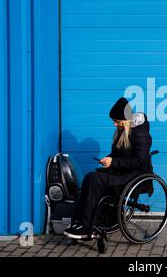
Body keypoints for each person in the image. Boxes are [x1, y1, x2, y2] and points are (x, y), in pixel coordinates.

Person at [64, 97, 152, 239]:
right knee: (90, 177)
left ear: (125, 120)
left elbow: (139, 161)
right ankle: (79, 222)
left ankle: (87, 227)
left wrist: (113, 162)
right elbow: (117, 154)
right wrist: (107, 159)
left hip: (132, 176)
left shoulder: (141, 134)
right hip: (120, 172)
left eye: (116, 121)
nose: (114, 124)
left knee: (95, 180)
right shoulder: (122, 131)